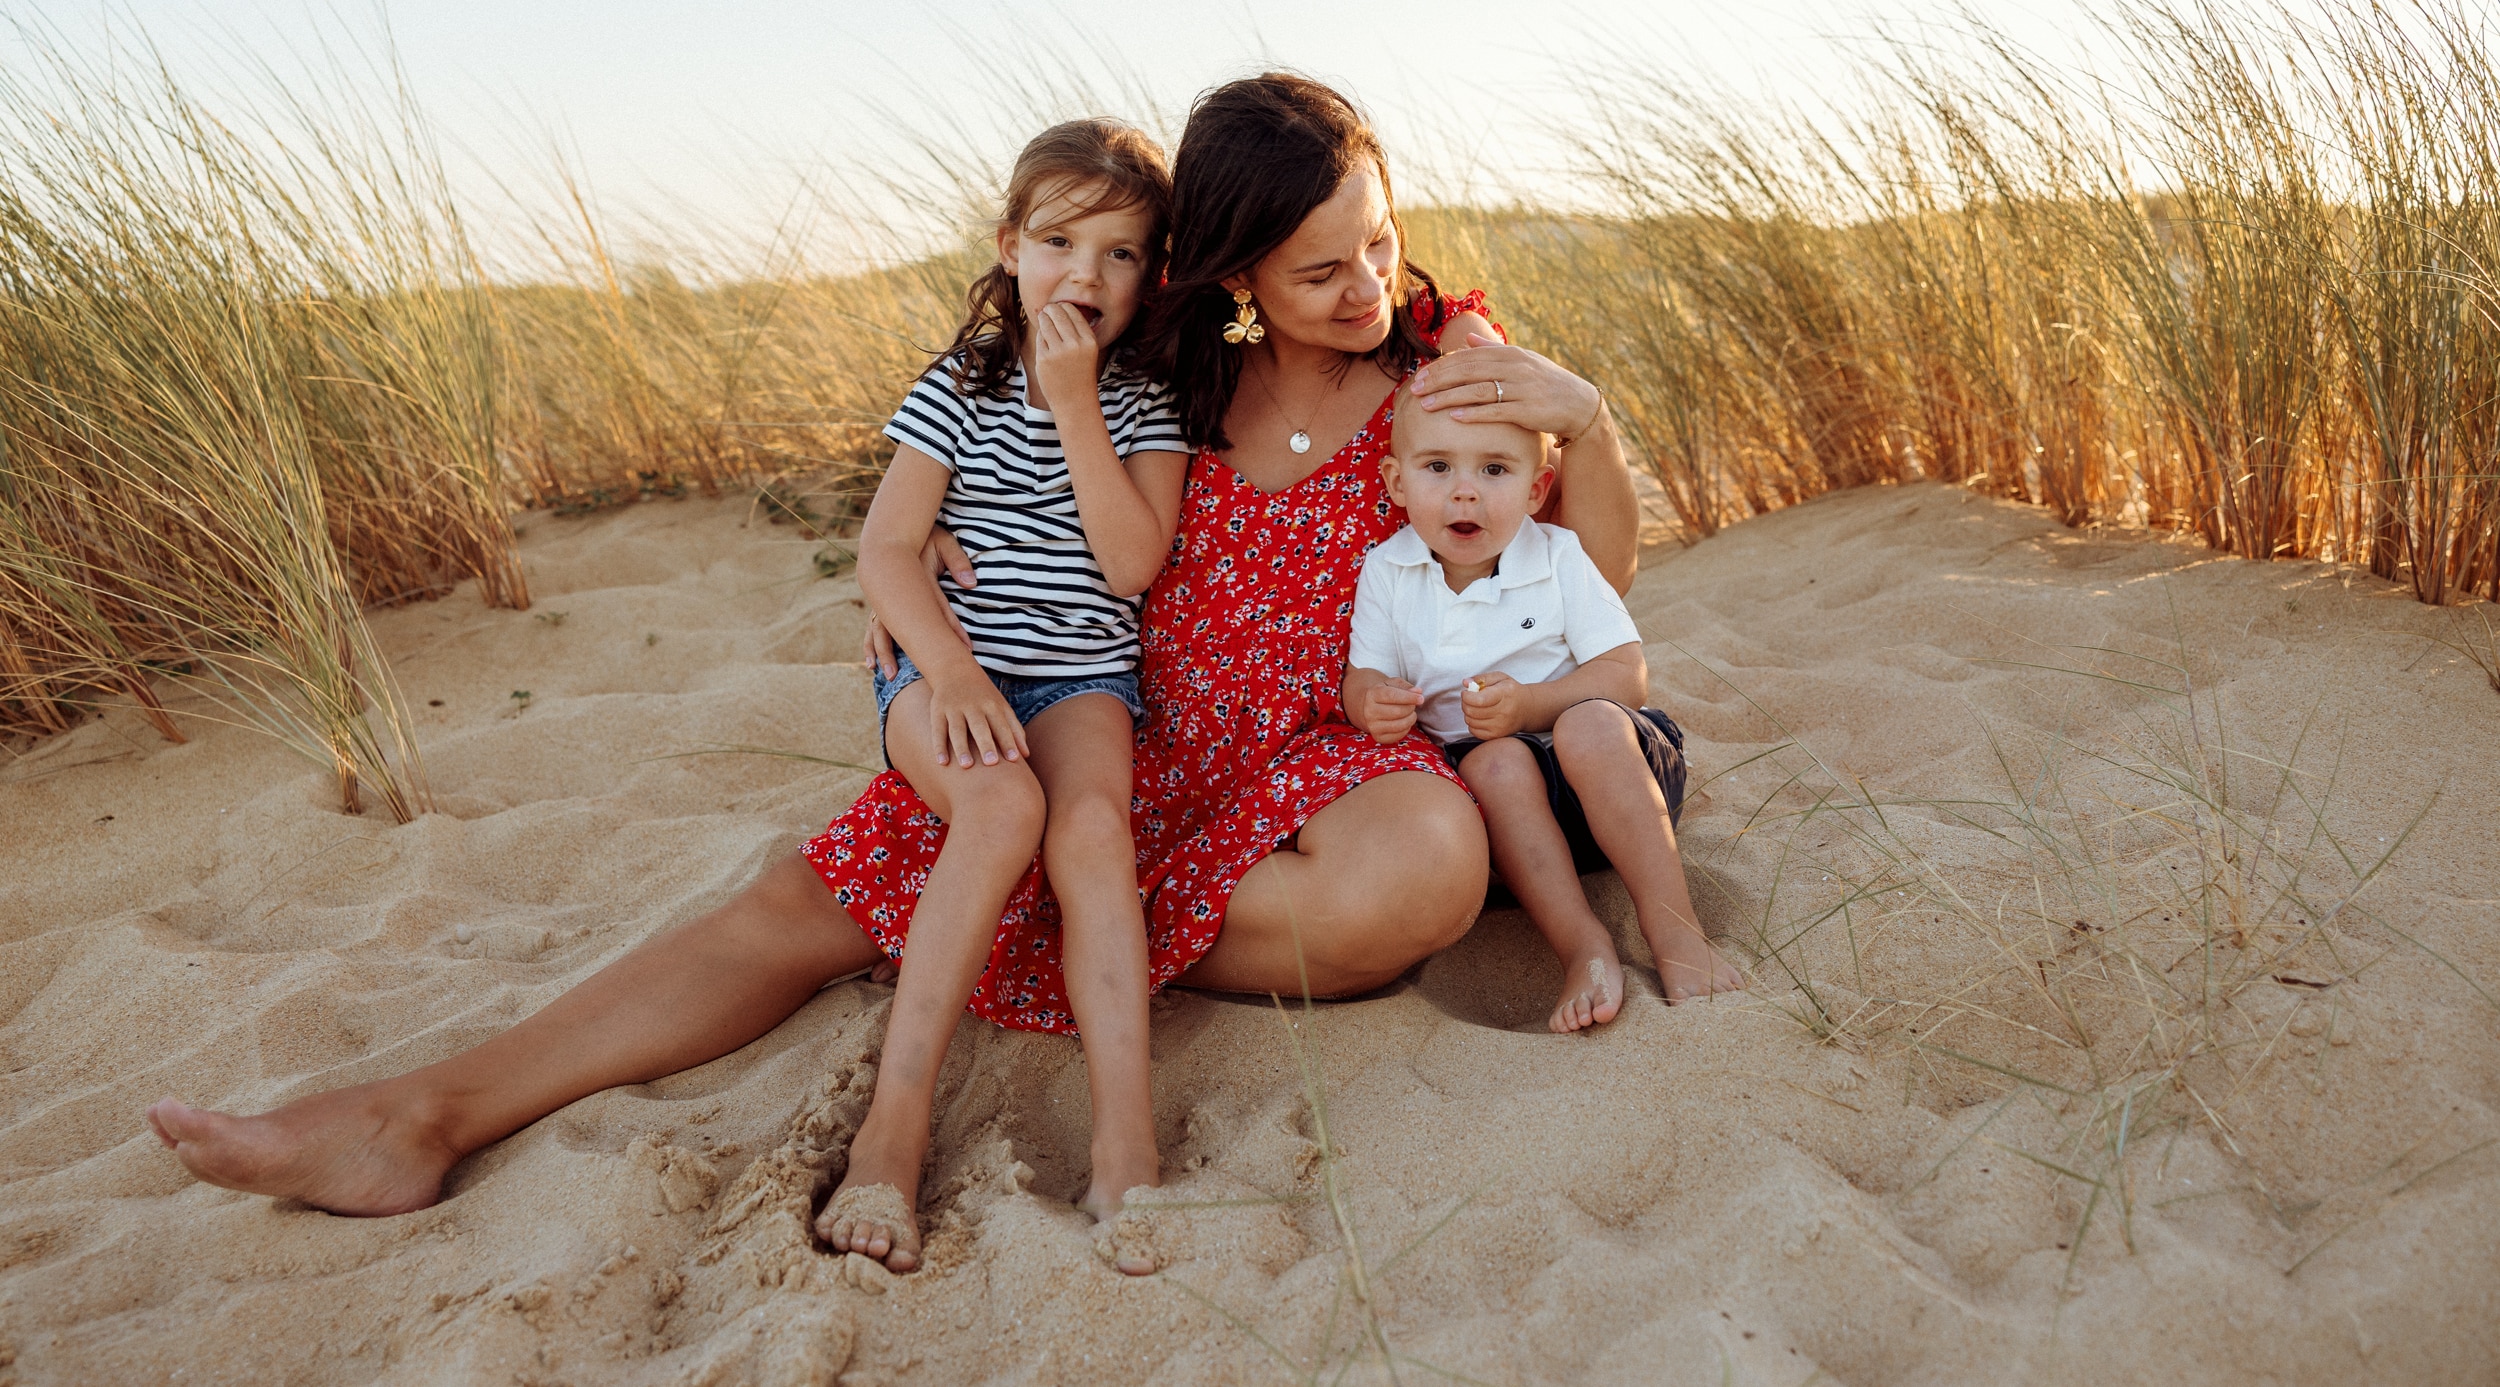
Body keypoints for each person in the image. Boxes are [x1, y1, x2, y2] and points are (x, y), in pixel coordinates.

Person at [142, 72, 1642, 1275]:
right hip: (1110, 725)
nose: (1368, 280)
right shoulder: (1172, 366)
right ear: (1236, 265)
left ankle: (1000, 916)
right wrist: (923, 581)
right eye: (1322, 265)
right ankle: (419, 1110)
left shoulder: (1451, 362)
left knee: (1424, 864)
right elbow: (1011, 490)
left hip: (1318, 763)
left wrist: (1593, 416)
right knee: (800, 907)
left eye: (1380, 240)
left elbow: (1597, 573)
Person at [814, 120, 1190, 1273]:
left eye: (1121, 252)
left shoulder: (1142, 404)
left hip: (1082, 670)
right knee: (1000, 807)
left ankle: (1126, 1141)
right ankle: (892, 1131)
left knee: (1088, 827)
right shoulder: (959, 385)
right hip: (945, 664)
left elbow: (1130, 567)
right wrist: (955, 671)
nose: (1085, 271)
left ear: (1153, 275)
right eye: (1060, 239)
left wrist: (1078, 403)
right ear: (1010, 245)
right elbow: (885, 551)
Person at [1342, 389, 1745, 1033]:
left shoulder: (1558, 556)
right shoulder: (1389, 571)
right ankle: (1583, 946)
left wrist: (1531, 703)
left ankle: (1676, 932)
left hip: (1617, 767)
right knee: (1494, 763)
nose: (1465, 492)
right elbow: (1364, 674)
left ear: (1537, 488)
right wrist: (1372, 703)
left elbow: (1626, 675)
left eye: (1495, 469)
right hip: (1506, 814)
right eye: (1438, 467)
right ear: (1395, 480)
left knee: (1586, 723)